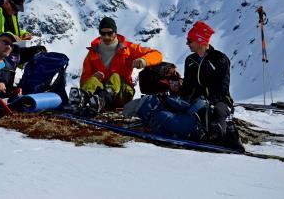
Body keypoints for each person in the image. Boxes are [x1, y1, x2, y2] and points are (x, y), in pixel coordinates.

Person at [124, 21, 244, 151]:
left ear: (200, 40)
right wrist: (177, 93)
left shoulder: (220, 59)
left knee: (218, 113)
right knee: (171, 109)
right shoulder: (190, 60)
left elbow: (223, 88)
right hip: (196, 101)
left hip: (220, 101)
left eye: (189, 40)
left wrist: (207, 103)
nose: (187, 43)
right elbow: (188, 88)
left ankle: (226, 135)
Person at [74, 17, 163, 113]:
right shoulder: (92, 53)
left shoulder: (127, 49)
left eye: (109, 33)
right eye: (103, 33)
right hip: (99, 94)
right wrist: (93, 78)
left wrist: (143, 60)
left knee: (115, 76)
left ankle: (100, 101)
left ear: (115, 33)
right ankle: (80, 100)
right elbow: (84, 80)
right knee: (93, 79)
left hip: (123, 94)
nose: (106, 37)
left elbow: (157, 54)